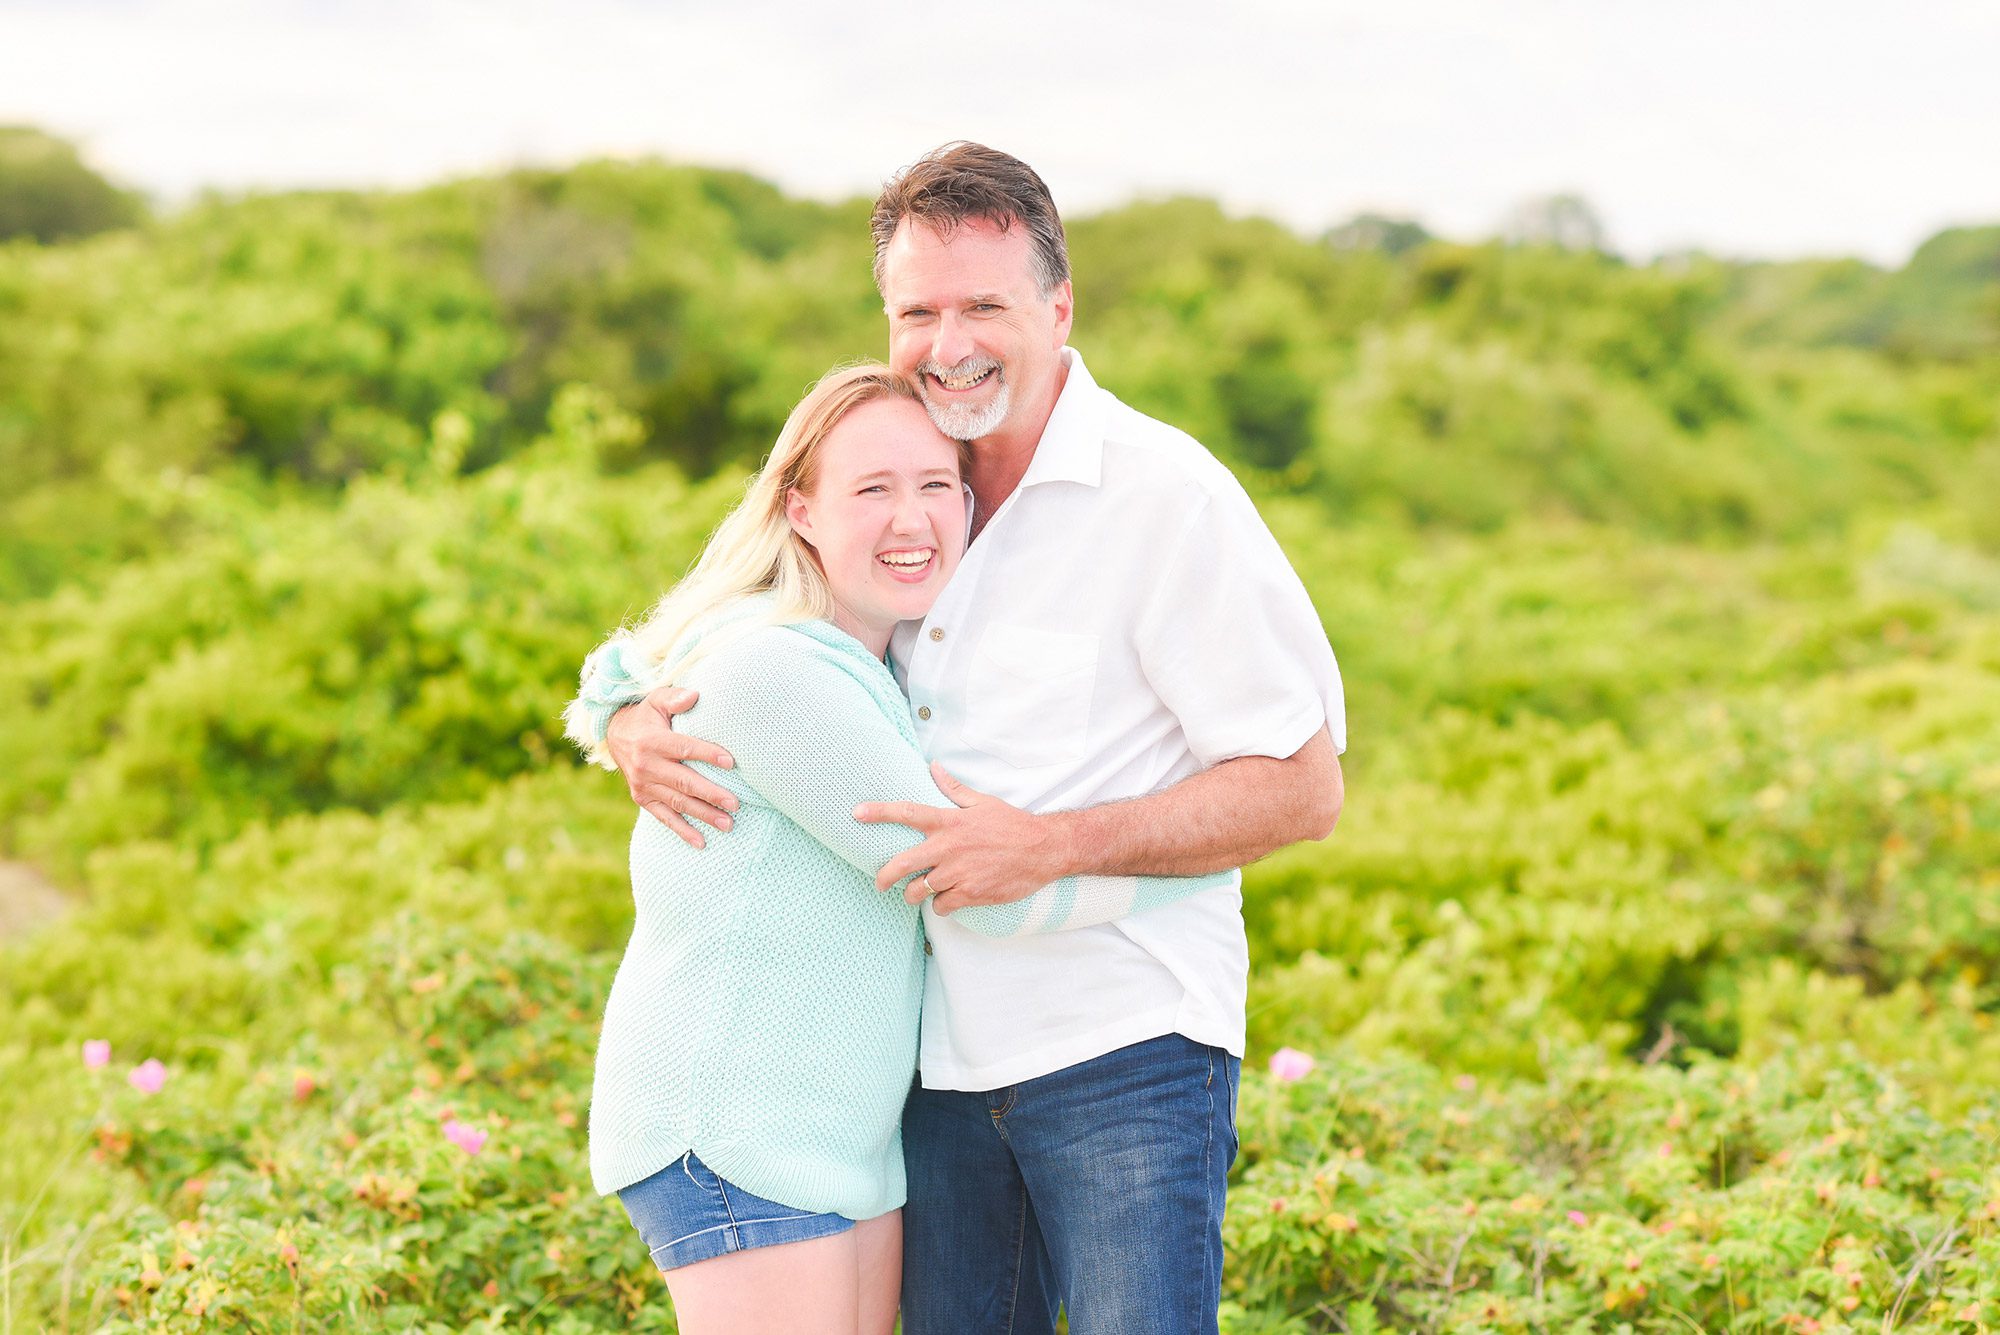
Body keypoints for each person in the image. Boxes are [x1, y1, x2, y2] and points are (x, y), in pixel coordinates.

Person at [583, 144, 1346, 1335]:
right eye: (916, 311)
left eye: (983, 305)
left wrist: (1052, 845)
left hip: (1122, 1054)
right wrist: (621, 719)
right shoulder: (907, 480)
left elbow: (1302, 789)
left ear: (1058, 305)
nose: (950, 343)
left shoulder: (1163, 499)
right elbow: (709, 632)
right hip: (927, 1083)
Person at [565, 362, 1231, 1335]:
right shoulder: (777, 663)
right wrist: (1194, 868)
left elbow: (620, 662)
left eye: (934, 487)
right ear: (798, 511)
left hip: (842, 1141)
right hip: (739, 1128)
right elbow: (980, 887)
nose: (910, 520)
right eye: (871, 490)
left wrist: (613, 710)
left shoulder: (878, 656)